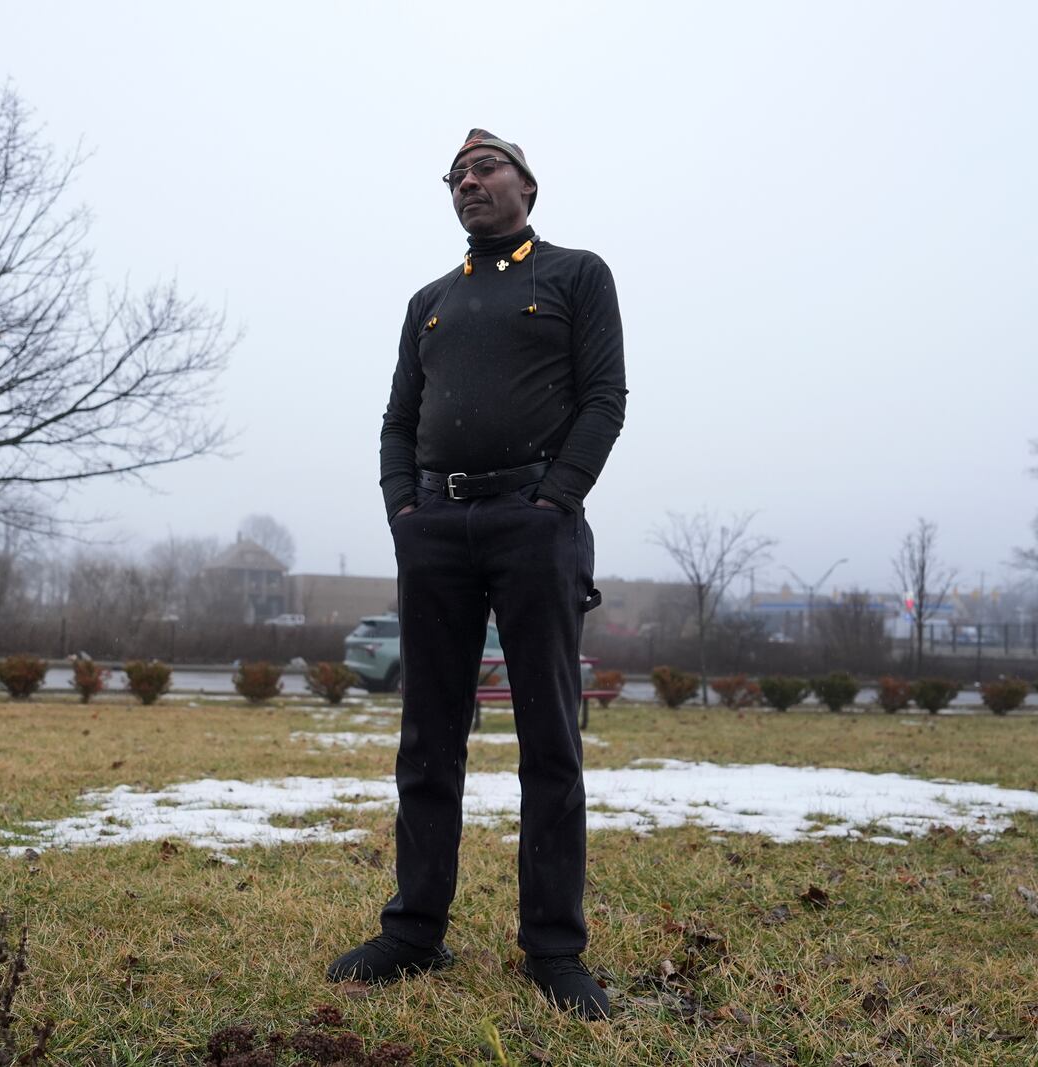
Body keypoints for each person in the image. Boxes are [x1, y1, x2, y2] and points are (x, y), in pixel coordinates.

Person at [327, 129, 627, 1019]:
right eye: (456, 175)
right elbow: (396, 420)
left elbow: (605, 397)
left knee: (550, 742)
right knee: (427, 737)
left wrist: (555, 501)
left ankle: (553, 949)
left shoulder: (576, 275)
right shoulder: (429, 302)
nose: (468, 182)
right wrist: (403, 514)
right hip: (437, 528)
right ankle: (414, 930)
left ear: (526, 184)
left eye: (485, 168)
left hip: (533, 525)